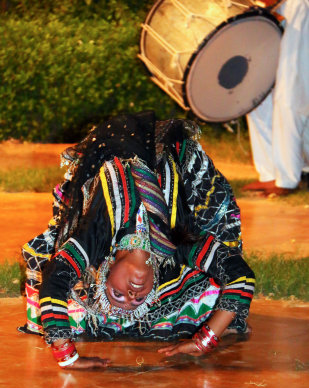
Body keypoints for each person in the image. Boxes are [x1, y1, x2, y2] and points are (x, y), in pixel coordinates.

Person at [20, 111, 255, 369]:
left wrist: (66, 355)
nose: (132, 293)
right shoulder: (177, 247)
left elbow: (55, 277)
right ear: (154, 287)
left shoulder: (97, 239)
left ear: (105, 273)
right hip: (169, 152)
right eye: (137, 300)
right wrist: (203, 340)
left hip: (111, 147)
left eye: (117, 294)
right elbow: (241, 277)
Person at [244, 0, 309, 196]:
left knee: (291, 93)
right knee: (256, 94)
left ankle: (286, 180)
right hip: (278, 12)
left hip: (299, 8)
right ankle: (271, 172)